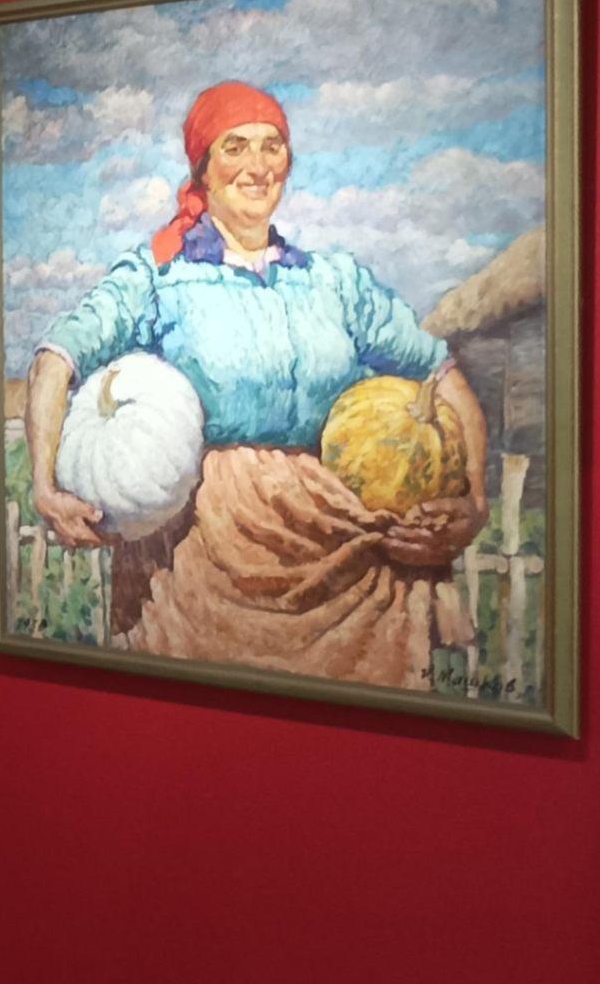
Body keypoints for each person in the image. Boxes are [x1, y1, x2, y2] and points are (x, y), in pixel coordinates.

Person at [25, 80, 487, 687]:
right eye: (235, 146)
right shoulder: (159, 277)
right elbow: (55, 358)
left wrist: (476, 501)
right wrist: (44, 486)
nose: (257, 165)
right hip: (204, 559)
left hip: (342, 550)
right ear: (203, 168)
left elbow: (440, 372)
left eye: (272, 146)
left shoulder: (334, 281)